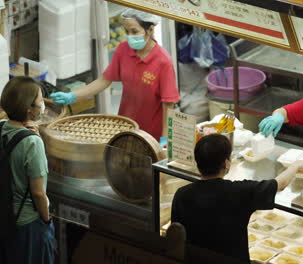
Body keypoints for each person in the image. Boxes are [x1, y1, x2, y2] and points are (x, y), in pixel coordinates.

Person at [171, 134, 303, 263]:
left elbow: (176, 236)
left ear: (197, 163)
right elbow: (280, 184)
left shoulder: (182, 194)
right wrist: (295, 166)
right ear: (226, 163)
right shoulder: (239, 192)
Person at [50, 9, 180, 141]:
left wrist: (165, 139)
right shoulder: (123, 50)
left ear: (150, 30)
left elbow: (168, 105)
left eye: (134, 31)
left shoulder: (163, 61)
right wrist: (73, 96)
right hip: (125, 126)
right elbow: (104, 80)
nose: (130, 36)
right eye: (127, 32)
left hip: (151, 134)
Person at [0, 77, 55, 264]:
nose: (43, 105)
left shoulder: (2, 128)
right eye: (40, 100)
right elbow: (39, 193)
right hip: (28, 224)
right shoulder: (32, 142)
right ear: (29, 108)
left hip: (6, 218)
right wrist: (47, 220)